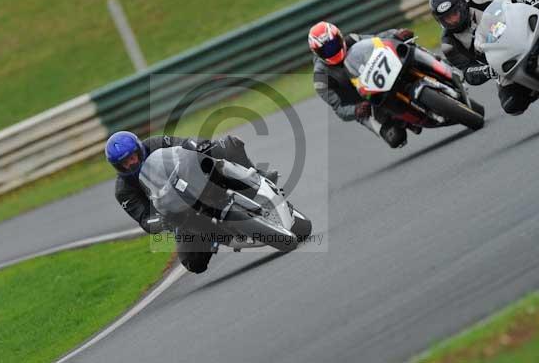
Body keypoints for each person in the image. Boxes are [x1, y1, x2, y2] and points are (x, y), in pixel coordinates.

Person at [105, 131, 277, 274]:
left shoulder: (156, 142)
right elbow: (144, 218)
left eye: (132, 157)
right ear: (118, 167)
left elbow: (185, 144)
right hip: (178, 212)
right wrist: (158, 221)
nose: (131, 163)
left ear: (139, 149)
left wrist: (199, 146)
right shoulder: (124, 191)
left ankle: (259, 178)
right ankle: (213, 237)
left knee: (227, 144)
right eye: (124, 163)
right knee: (193, 263)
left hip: (195, 180)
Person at [429, 0, 539, 115]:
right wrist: (489, 71)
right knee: (512, 105)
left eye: (454, 13)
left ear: (462, 4)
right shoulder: (449, 44)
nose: (453, 20)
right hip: (504, 63)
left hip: (523, 32)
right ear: (440, 20)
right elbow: (468, 72)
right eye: (447, 17)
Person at [308, 21, 416, 148]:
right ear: (317, 52)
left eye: (333, 45)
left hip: (382, 78)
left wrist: (396, 33)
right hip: (366, 105)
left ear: (340, 37)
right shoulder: (320, 78)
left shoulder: (352, 40)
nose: (331, 51)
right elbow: (338, 108)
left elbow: (377, 40)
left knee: (407, 52)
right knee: (395, 137)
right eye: (325, 50)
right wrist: (355, 110)